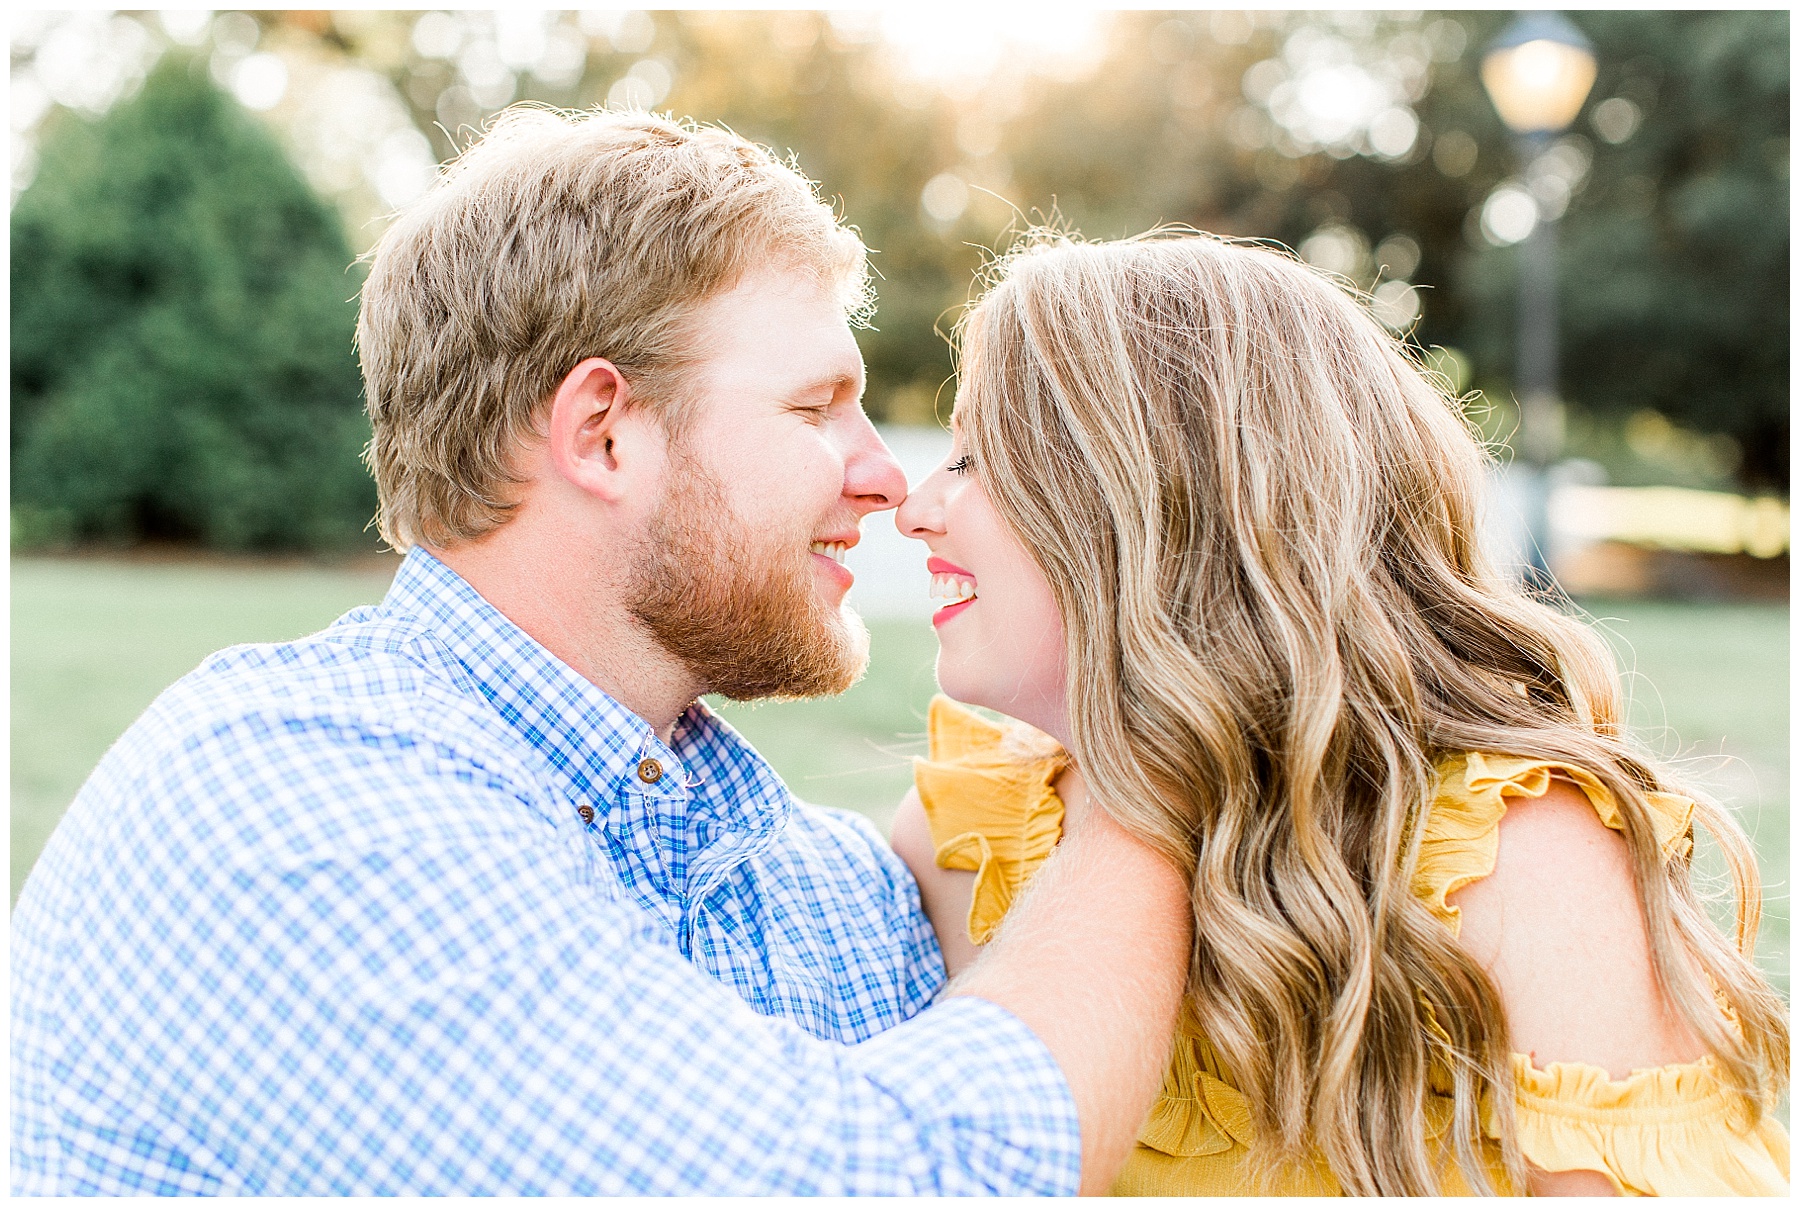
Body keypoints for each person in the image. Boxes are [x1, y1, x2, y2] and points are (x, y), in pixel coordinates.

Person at [10, 110, 1195, 1195]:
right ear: (604, 433)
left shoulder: (815, 887)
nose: (887, 475)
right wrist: (1154, 773)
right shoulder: (288, 799)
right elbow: (898, 1181)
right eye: (816, 407)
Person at [891, 230, 1790, 1196]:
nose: (913, 508)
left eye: (977, 458)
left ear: (1161, 499)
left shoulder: (1512, 855)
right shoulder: (967, 832)